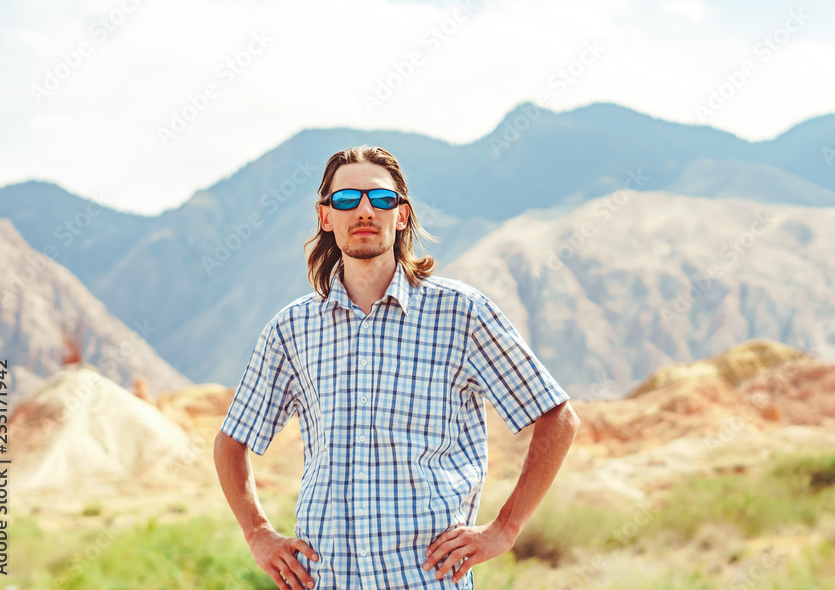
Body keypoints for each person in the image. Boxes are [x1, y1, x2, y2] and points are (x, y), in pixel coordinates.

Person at [213, 145, 580, 589]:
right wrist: (257, 534)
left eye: (382, 199)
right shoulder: (290, 331)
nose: (365, 210)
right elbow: (231, 442)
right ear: (325, 216)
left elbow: (557, 416)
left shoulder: (460, 313)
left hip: (426, 580)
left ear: (401, 215)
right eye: (347, 199)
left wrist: (505, 528)